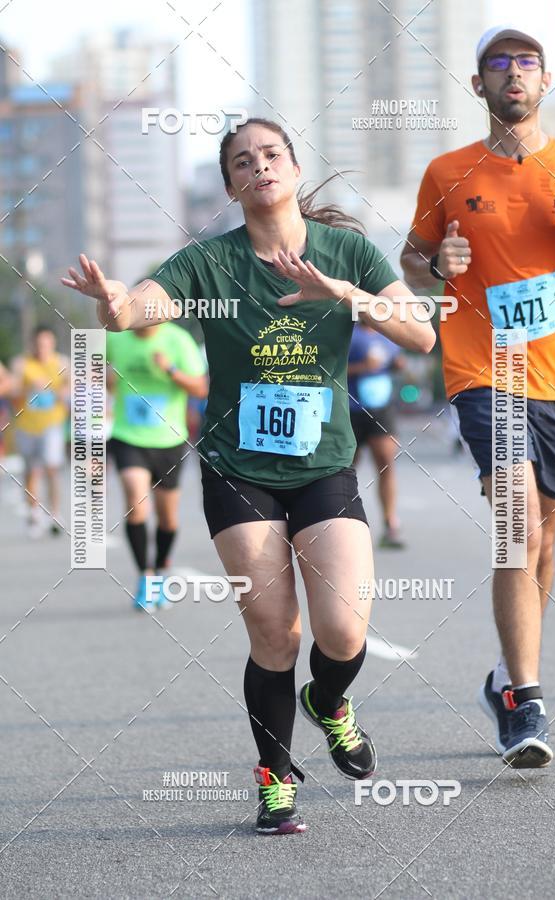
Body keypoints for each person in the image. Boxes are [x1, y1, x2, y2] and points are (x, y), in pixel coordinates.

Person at [62, 117, 435, 834]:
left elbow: (419, 330)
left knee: (344, 630)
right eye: (242, 161)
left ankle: (329, 703)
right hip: (239, 470)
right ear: (232, 186)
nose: (258, 166)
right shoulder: (210, 263)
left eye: (270, 154)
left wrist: (342, 294)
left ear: (293, 168)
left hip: (324, 463)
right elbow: (145, 306)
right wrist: (116, 306)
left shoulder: (346, 249)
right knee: (273, 634)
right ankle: (274, 780)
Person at [401, 25, 555, 768]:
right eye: (497, 63)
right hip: (486, 372)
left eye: (525, 63)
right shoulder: (449, 172)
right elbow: (413, 260)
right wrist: (436, 262)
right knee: (515, 522)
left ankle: (504, 679)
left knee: (544, 541)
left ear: (545, 81)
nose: (512, 73)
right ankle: (527, 699)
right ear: (478, 84)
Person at [106, 323, 208, 610]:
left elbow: (200, 388)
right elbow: (94, 372)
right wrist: (104, 378)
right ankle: (146, 578)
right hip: (128, 436)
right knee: (136, 505)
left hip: (169, 441)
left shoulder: (179, 340)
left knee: (168, 520)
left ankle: (160, 572)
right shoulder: (117, 339)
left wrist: (171, 370)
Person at [348, 322, 406, 548]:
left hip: (382, 409)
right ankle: (345, 525)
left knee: (386, 464)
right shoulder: (349, 332)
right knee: (346, 469)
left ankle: (390, 524)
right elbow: (329, 369)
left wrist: (398, 365)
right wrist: (363, 367)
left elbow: (396, 361)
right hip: (351, 408)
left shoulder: (389, 333)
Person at [10, 325, 70, 537]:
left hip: (52, 424)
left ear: (52, 344)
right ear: (33, 344)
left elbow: (71, 389)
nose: (42, 348)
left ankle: (54, 513)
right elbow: (12, 390)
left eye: (46, 344)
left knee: (52, 468)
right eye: (39, 344)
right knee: (32, 471)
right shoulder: (22, 363)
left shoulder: (62, 363)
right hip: (26, 425)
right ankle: (34, 512)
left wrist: (58, 390)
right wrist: (29, 387)